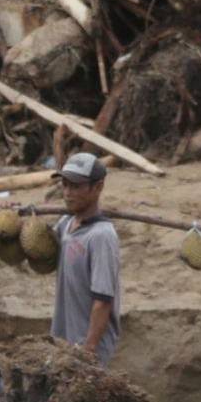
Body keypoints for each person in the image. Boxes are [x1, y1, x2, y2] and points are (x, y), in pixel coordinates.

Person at [48, 153, 123, 366]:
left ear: (98, 187)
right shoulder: (66, 223)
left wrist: (89, 350)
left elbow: (103, 300)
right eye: (65, 185)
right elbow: (39, 252)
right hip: (63, 341)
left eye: (76, 187)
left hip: (87, 347)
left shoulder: (101, 236)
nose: (68, 193)